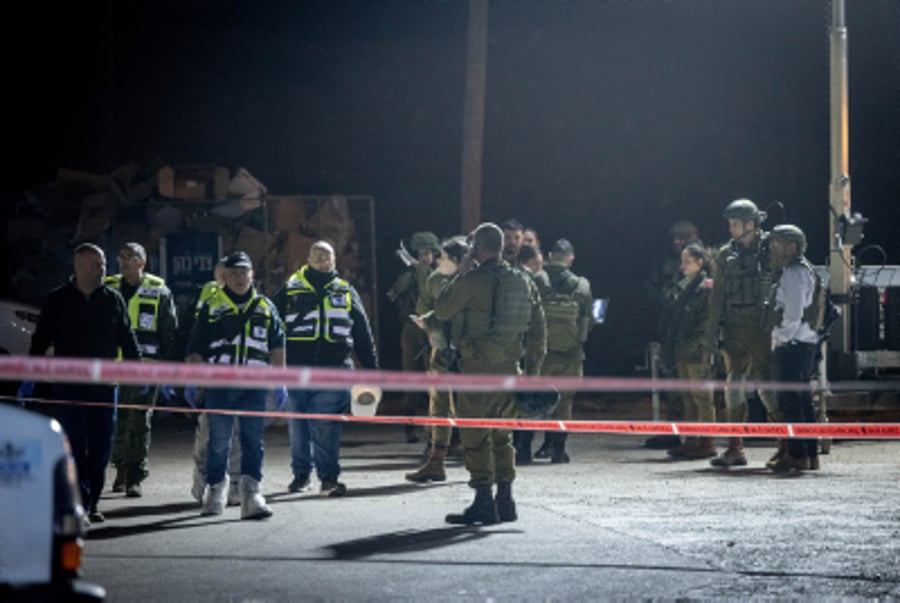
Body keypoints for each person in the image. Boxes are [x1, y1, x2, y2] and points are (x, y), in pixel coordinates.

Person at [25, 243, 141, 523]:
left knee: (101, 446)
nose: (102, 270)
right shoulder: (57, 300)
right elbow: (41, 338)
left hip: (104, 385)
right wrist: (30, 373)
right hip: (69, 385)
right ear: (77, 267)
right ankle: (79, 502)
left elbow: (127, 337)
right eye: (95, 265)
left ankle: (93, 502)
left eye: (102, 264)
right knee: (74, 444)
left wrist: (138, 370)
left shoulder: (113, 300)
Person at [433, 223, 532, 525]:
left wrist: (462, 272)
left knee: (476, 437)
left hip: (477, 372)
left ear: (476, 250)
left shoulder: (472, 280)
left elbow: (442, 310)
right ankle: (506, 500)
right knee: (503, 438)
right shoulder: (521, 280)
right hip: (510, 371)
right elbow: (537, 327)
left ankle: (483, 502)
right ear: (502, 247)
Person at [185, 251, 286, 519]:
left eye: (244, 272)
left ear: (252, 275)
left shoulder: (266, 306)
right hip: (221, 385)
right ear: (225, 277)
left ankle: (251, 494)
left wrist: (280, 380)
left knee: (253, 441)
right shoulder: (212, 305)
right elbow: (196, 344)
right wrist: (193, 379)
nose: (240, 277)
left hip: (256, 385)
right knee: (219, 441)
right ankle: (215, 491)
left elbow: (277, 345)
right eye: (234, 273)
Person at [274, 240, 378, 497]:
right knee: (298, 426)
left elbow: (363, 333)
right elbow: (270, 324)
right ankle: (301, 475)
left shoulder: (345, 291)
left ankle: (328, 479)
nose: (322, 261)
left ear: (334, 261)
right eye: (318, 257)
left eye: (327, 257)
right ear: (308, 259)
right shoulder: (290, 289)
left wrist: (372, 369)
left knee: (325, 426)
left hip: (335, 370)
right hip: (296, 371)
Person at [707, 199, 779, 468]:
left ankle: (786, 445)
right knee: (732, 388)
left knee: (768, 388)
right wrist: (710, 337)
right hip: (736, 330)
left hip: (764, 329)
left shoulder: (773, 249)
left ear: (751, 224)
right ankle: (735, 448)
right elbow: (717, 299)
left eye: (735, 224)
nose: (731, 229)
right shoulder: (726, 255)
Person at [106, 242, 178, 498]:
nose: (124, 261)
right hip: (113, 368)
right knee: (116, 421)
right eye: (121, 256)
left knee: (139, 421)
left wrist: (167, 369)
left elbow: (169, 332)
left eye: (131, 257)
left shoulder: (159, 290)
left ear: (143, 262)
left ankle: (135, 475)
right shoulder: (108, 286)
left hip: (147, 369)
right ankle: (120, 470)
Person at [404, 236, 469, 483]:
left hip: (471, 356)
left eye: (442, 256)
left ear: (456, 259)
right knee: (439, 407)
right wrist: (430, 327)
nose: (438, 261)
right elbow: (423, 310)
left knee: (471, 409)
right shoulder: (433, 281)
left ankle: (481, 464)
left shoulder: (474, 281)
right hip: (441, 353)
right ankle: (436, 461)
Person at [529, 239, 595, 464]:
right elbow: (589, 322)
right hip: (570, 355)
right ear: (571, 258)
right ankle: (558, 450)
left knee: (532, 402)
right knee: (564, 403)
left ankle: (523, 450)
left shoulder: (536, 280)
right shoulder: (581, 286)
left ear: (549, 256)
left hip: (540, 355)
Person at [764, 225, 823, 472]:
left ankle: (797, 455)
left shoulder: (793, 273)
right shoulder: (803, 269)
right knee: (803, 401)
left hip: (794, 343)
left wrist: (781, 339)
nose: (771, 247)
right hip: (805, 343)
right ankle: (809, 454)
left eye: (777, 243)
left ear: (792, 246)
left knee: (791, 402)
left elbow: (793, 313)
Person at [188, 257, 244, 507]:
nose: (228, 278)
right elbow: (195, 339)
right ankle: (203, 486)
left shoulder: (252, 300)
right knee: (208, 437)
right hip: (211, 379)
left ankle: (232, 487)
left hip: (240, 380)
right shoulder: (208, 299)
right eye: (225, 273)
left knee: (237, 438)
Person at [643, 219, 699, 450]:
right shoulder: (667, 265)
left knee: (694, 391)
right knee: (673, 386)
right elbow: (652, 290)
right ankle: (676, 432)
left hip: (691, 332)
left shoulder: (700, 264)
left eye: (682, 238)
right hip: (669, 328)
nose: (677, 242)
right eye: (674, 238)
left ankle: (697, 437)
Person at [662, 242, 717, 460]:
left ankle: (708, 442)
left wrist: (694, 345)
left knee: (702, 399)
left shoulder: (706, 288)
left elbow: (706, 322)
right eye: (682, 261)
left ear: (700, 262)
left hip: (696, 352)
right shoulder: (687, 287)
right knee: (688, 399)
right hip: (683, 350)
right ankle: (692, 440)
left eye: (687, 261)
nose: (682, 266)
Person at [386, 231, 440, 444]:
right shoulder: (408, 276)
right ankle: (410, 427)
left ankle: (434, 428)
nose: (425, 257)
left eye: (428, 253)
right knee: (411, 378)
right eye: (421, 253)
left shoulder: (439, 275)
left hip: (432, 328)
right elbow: (393, 295)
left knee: (433, 379)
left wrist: (421, 270)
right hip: (411, 329)